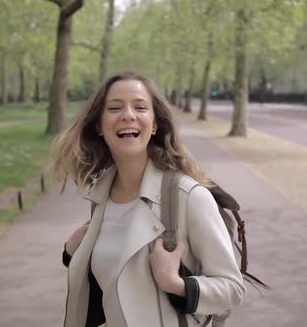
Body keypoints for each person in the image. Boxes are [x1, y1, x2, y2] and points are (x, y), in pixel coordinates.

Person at [51, 70, 246, 327]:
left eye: (140, 107)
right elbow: (116, 280)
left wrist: (175, 284)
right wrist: (74, 254)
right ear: (99, 125)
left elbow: (232, 290)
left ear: (154, 124)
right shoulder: (99, 199)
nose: (128, 115)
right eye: (115, 108)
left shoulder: (188, 197)